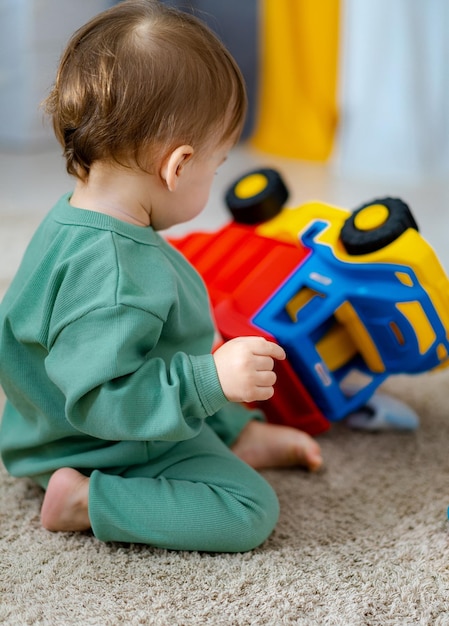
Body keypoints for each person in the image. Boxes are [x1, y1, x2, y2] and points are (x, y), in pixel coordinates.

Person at [0, 0, 322, 553]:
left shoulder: (82, 218)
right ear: (177, 166)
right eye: (217, 166)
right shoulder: (117, 274)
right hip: (95, 443)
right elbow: (100, 401)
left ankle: (234, 436)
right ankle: (83, 501)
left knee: (212, 376)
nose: (216, 176)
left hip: (84, 418)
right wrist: (208, 379)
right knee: (249, 510)